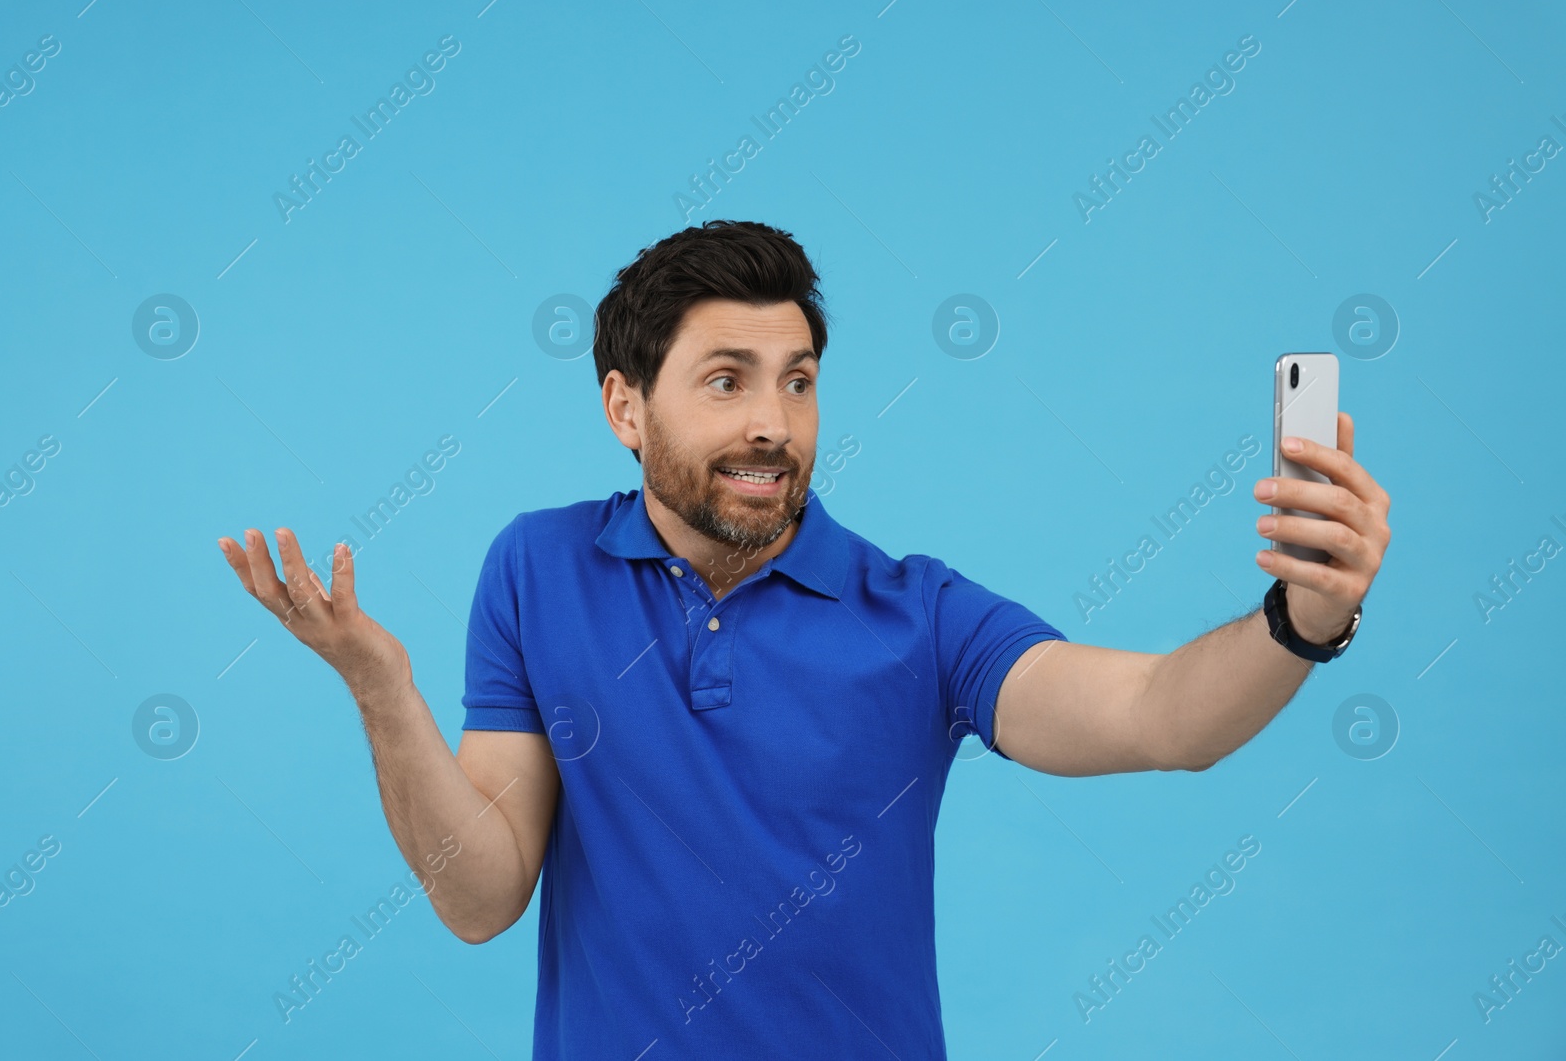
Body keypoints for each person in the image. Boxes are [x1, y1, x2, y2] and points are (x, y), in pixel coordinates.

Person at [216, 219, 1391, 1058]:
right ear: (627, 406)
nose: (772, 423)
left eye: (798, 380)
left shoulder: (917, 614)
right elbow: (478, 894)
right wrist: (382, 689)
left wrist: (1304, 616)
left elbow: (1162, 718)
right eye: (724, 381)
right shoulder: (537, 568)